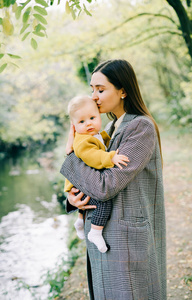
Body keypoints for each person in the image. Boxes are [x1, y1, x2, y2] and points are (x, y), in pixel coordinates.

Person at [60, 59, 166, 300]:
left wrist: (69, 156)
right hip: (107, 231)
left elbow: (105, 185)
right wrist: (73, 199)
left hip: (126, 236)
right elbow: (92, 173)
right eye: (92, 89)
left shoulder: (140, 127)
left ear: (123, 90)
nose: (94, 96)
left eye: (100, 89)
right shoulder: (108, 127)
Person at [64, 95, 129, 253]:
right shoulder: (83, 141)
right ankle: (96, 231)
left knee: (88, 201)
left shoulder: (96, 135)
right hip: (81, 183)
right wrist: (110, 157)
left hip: (81, 181)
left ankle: (80, 220)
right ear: (74, 127)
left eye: (92, 118)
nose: (88, 124)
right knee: (102, 201)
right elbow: (93, 157)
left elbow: (102, 144)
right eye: (81, 122)